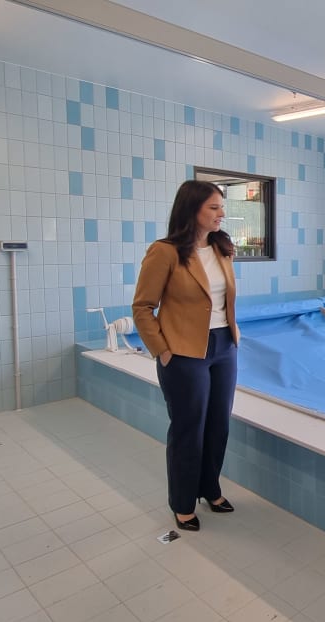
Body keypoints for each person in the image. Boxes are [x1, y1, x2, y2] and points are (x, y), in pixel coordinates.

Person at [132, 180, 240, 532]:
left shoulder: (223, 248)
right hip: (184, 352)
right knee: (188, 429)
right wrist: (162, 351)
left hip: (223, 347)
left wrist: (233, 340)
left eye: (221, 206)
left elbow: (221, 302)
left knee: (218, 425)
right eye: (213, 207)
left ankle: (210, 488)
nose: (221, 213)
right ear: (191, 209)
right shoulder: (164, 252)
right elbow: (143, 307)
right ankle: (181, 503)